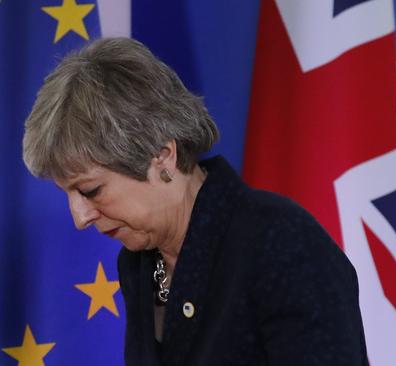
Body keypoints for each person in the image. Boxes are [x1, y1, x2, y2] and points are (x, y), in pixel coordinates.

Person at [22, 37, 368, 365]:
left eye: (91, 190)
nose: (80, 218)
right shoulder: (138, 264)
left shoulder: (282, 243)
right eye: (66, 193)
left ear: (162, 157)